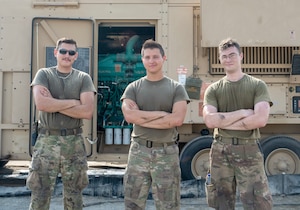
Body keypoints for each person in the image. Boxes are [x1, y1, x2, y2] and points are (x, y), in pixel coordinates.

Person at [202, 37, 273, 210]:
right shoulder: (214, 89)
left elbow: (261, 119)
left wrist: (224, 122)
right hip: (220, 150)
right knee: (220, 202)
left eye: (232, 55)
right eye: (224, 56)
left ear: (241, 56)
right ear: (220, 59)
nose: (228, 59)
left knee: (258, 202)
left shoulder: (257, 85)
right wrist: (242, 113)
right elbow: (210, 121)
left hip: (248, 149)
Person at [27, 37, 97, 210]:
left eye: (71, 52)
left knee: (74, 196)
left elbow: (87, 112)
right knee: (40, 195)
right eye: (63, 51)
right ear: (56, 52)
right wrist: (74, 102)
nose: (67, 55)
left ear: (76, 56)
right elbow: (42, 104)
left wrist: (54, 103)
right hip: (46, 141)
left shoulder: (83, 78)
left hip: (74, 142)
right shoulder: (44, 74)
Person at [121, 39, 190, 210]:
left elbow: (176, 120)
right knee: (133, 203)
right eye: (147, 57)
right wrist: (161, 115)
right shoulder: (133, 88)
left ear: (163, 58)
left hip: (166, 152)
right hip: (139, 151)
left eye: (155, 57)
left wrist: (141, 116)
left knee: (168, 205)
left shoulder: (176, 88)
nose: (151, 61)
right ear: (142, 59)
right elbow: (130, 117)